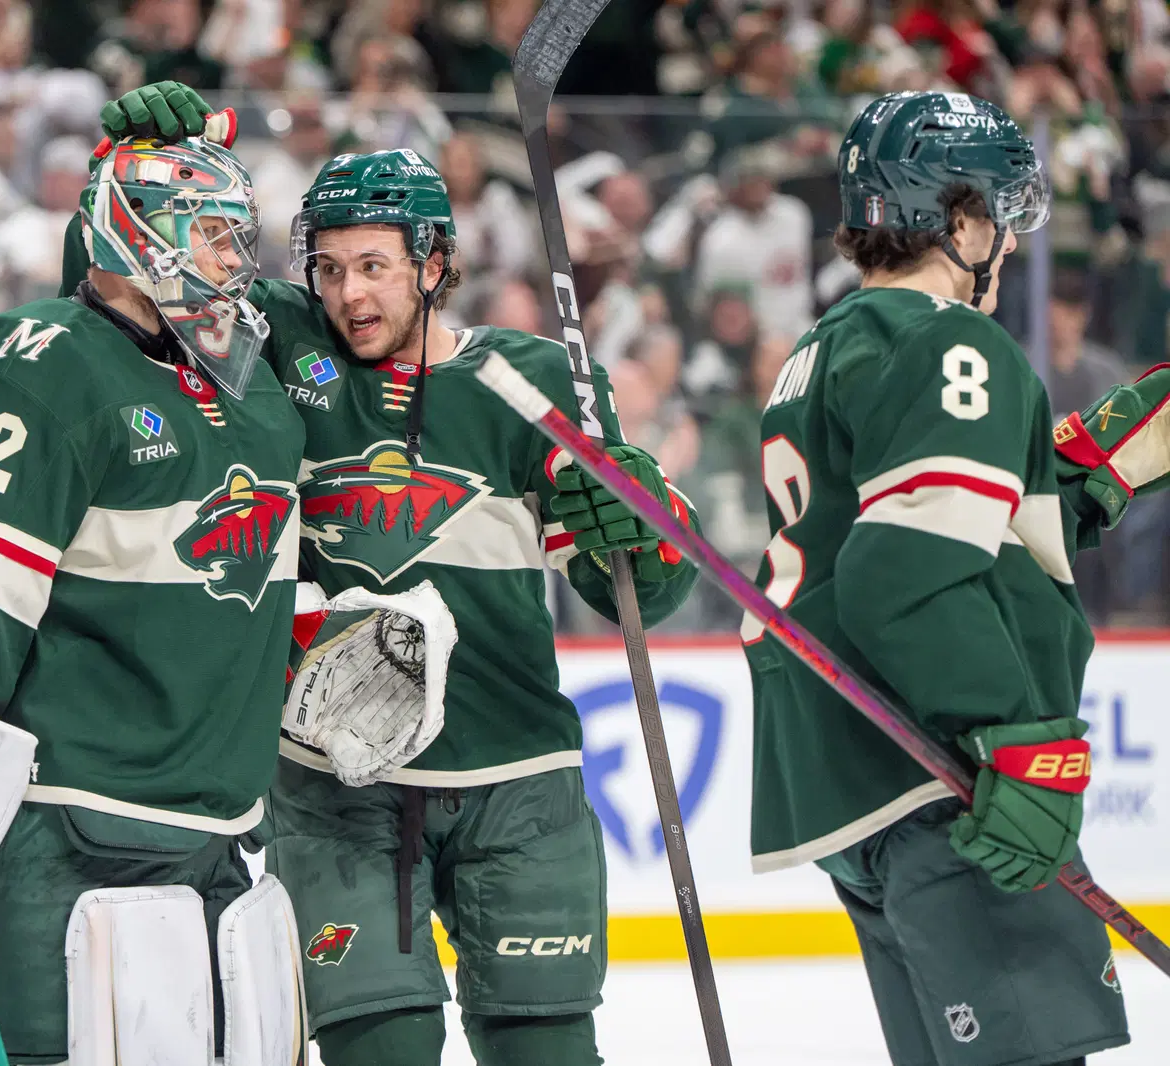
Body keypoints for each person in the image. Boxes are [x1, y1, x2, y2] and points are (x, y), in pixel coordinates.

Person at [75, 85, 701, 1066]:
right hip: (336, 786)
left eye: (374, 266)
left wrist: (643, 522)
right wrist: (133, 175)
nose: (348, 295)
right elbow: (128, 300)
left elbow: (640, 594)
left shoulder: (531, 380)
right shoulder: (276, 348)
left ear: (433, 264)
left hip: (516, 779)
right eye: (327, 269)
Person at [0, 134, 307, 1064]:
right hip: (66, 836)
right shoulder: (38, 364)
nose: (233, 258)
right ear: (140, 234)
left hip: (220, 833)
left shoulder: (247, 379)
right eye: (210, 231)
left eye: (236, 233)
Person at [745, 90, 1145, 1065]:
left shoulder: (824, 346)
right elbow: (906, 568)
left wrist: (1065, 484)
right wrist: (1017, 741)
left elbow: (903, 529)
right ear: (958, 219)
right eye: (999, 214)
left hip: (859, 785)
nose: (1008, 241)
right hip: (949, 778)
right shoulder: (949, 341)